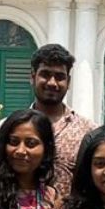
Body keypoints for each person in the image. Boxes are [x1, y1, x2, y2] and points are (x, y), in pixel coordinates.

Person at [30, 44, 94, 198]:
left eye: (59, 77)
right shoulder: (11, 127)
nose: (52, 83)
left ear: (69, 81)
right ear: (32, 77)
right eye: (45, 74)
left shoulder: (88, 131)